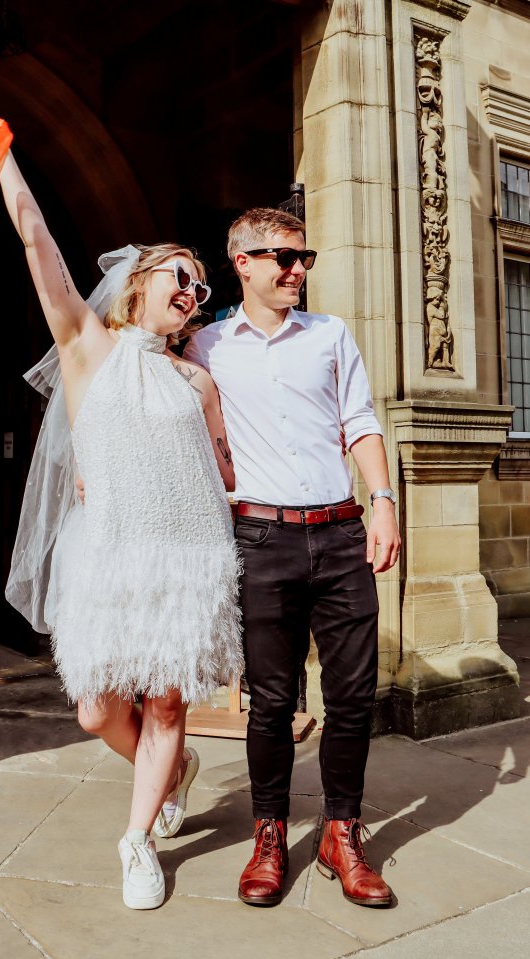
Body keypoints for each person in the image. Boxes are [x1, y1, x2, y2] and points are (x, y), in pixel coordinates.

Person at [0, 125, 243, 911]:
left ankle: (137, 841)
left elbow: (226, 471)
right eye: (179, 278)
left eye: (199, 288)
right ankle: (174, 771)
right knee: (94, 712)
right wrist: (4, 153)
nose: (192, 292)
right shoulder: (88, 345)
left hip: (188, 557)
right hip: (111, 560)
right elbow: (38, 242)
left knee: (165, 704)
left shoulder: (197, 382)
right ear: (140, 282)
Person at [183, 207, 401, 908]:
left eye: (303, 256)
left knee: (350, 697)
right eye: (281, 256)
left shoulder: (330, 335)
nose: (296, 269)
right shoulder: (205, 347)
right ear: (240, 262)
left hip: (340, 534)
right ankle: (270, 833)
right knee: (271, 702)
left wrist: (384, 500)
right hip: (259, 539)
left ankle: (342, 831)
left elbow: (358, 420)